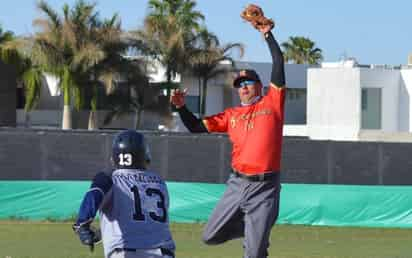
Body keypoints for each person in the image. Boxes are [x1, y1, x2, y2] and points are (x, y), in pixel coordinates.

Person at [170, 20, 285, 258]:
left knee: (254, 255)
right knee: (210, 236)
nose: (243, 87)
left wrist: (267, 35)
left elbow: (279, 62)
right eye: (239, 85)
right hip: (237, 184)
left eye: (248, 83)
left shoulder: (272, 102)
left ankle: (257, 233)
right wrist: (181, 108)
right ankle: (255, 228)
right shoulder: (230, 116)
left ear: (260, 86)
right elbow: (195, 127)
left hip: (265, 187)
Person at [72, 130, 175, 258]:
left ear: (114, 157)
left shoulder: (110, 178)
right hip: (163, 253)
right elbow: (143, 221)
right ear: (144, 154)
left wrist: (82, 224)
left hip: (126, 251)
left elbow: (94, 194)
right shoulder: (159, 182)